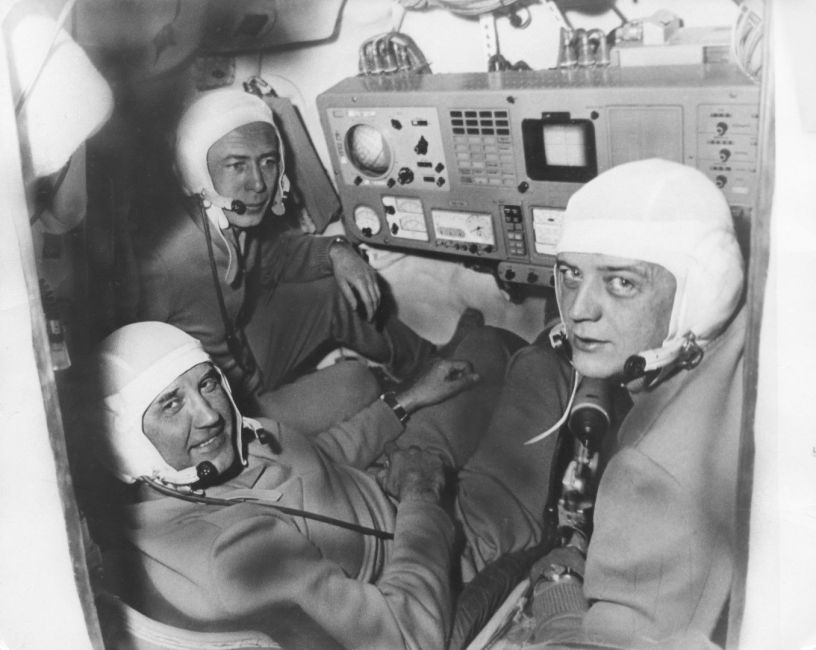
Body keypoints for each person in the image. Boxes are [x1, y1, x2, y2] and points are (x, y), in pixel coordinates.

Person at [91, 319, 522, 649]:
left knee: (488, 344)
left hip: (396, 482)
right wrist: (423, 496)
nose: (209, 415)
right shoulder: (233, 554)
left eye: (207, 383)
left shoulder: (202, 462)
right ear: (126, 445)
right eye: (171, 404)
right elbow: (406, 637)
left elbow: (315, 457)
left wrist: (403, 402)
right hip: (434, 551)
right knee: (539, 368)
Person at [458, 158, 746, 649]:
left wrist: (559, 583)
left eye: (621, 282)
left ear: (704, 290)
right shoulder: (746, 341)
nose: (577, 309)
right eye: (571, 274)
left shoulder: (648, 478)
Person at [134, 88, 435, 429]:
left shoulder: (232, 224)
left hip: (247, 364)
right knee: (359, 382)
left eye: (268, 161)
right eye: (236, 165)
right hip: (225, 413)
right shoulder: (159, 265)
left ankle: (427, 364)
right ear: (196, 173)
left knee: (333, 291)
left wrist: (338, 250)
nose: (259, 184)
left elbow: (278, 255)